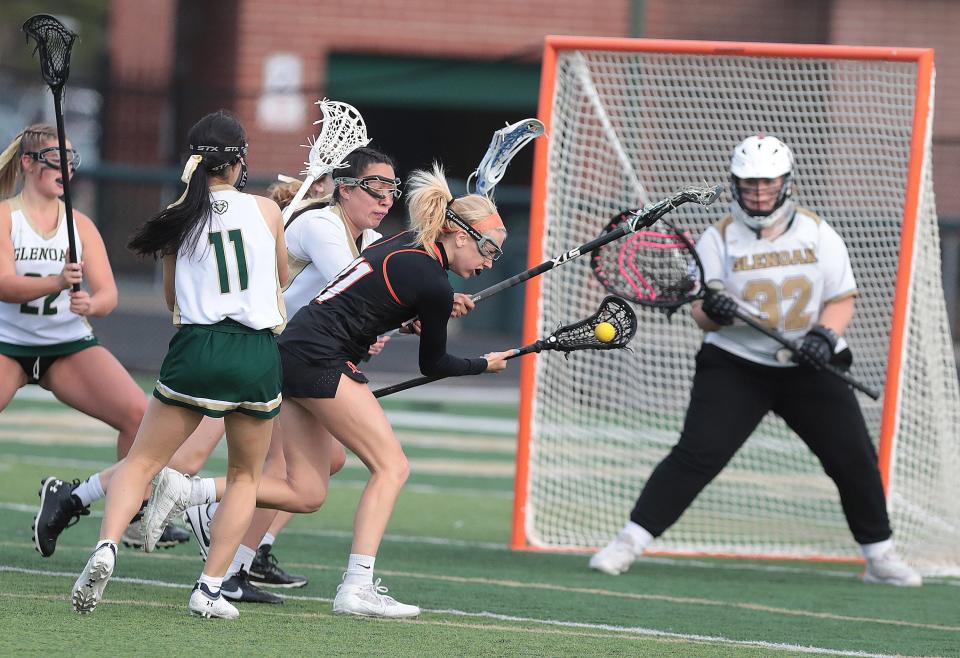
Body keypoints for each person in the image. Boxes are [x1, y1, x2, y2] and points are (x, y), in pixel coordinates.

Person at [143, 161, 514, 618]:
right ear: (459, 235)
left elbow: (376, 302)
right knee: (392, 467)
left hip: (295, 352)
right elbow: (434, 363)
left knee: (307, 492)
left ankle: (189, 491)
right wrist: (485, 363)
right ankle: (357, 586)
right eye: (487, 250)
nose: (488, 263)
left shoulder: (406, 245)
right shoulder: (434, 281)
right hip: (320, 360)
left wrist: (418, 320)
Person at [588, 135, 922, 587]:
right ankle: (629, 541)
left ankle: (880, 554)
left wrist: (824, 338)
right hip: (737, 364)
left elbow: (842, 299)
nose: (759, 193)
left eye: (768, 183)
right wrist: (716, 311)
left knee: (854, 458)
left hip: (807, 364)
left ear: (785, 183)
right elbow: (701, 317)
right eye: (749, 184)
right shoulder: (718, 238)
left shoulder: (819, 233)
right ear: (735, 185)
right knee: (697, 454)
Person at [70, 109, 288, 619]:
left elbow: (174, 297)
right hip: (254, 353)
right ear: (237, 162)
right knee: (244, 478)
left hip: (195, 347)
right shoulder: (268, 212)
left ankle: (107, 547)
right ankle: (209, 588)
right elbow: (280, 278)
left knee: (143, 461)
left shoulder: (177, 215)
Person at [183, 147, 396, 603]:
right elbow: (359, 286)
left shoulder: (368, 236)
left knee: (325, 464)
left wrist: (425, 304)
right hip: (272, 349)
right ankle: (198, 507)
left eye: (391, 190)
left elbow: (383, 288)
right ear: (344, 188)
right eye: (375, 188)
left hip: (298, 355)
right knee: (251, 465)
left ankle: (232, 555)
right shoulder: (322, 225)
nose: (384, 198)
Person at [0, 124, 204, 554]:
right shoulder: (6, 217)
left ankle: (132, 513)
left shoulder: (80, 224)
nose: (65, 167)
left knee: (138, 416)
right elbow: (4, 284)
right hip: (8, 343)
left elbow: (108, 294)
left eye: (71, 159)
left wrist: (91, 306)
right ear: (27, 163)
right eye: (55, 157)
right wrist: (56, 281)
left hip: (67, 346)